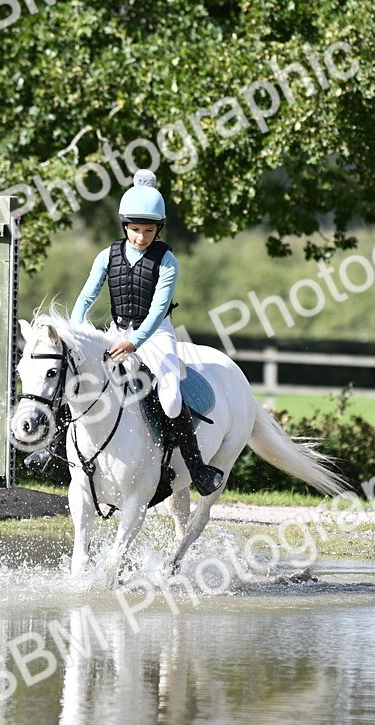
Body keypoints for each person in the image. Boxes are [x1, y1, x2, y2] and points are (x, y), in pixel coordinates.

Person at [25, 170, 224, 495]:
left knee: (172, 399)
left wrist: (134, 342)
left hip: (155, 335)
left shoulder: (167, 261)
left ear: (158, 229)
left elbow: (159, 310)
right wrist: (74, 333)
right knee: (77, 374)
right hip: (117, 331)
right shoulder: (108, 255)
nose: (141, 237)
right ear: (125, 226)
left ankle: (196, 467)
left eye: (148, 230)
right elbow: (87, 296)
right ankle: (53, 445)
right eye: (134, 229)